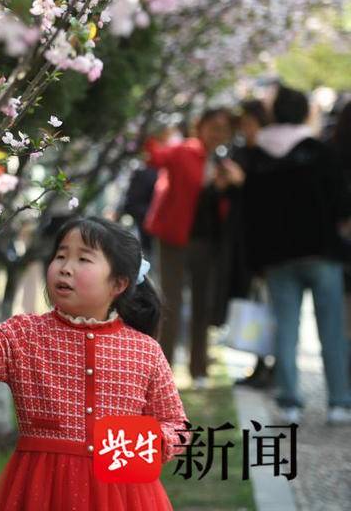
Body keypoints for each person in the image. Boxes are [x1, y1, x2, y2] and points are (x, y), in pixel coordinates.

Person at [0, 217, 189, 510]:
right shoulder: (24, 335)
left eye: (83, 258)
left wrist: (145, 444)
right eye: (60, 255)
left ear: (119, 283)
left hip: (124, 494)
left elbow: (177, 426)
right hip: (41, 490)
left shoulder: (144, 350)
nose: (65, 267)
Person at [226, 85, 351, 424]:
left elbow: (250, 218)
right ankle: (339, 402)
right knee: (332, 331)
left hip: (277, 259)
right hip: (322, 254)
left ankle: (290, 400)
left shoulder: (259, 157)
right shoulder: (319, 151)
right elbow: (341, 203)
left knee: (285, 329)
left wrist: (254, 263)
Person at [143, 108, 234, 387]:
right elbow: (155, 157)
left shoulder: (225, 162)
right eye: (213, 126)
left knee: (202, 305)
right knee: (170, 303)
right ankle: (165, 369)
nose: (217, 133)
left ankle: (199, 370)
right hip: (174, 238)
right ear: (200, 126)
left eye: (223, 129)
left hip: (207, 242)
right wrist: (147, 131)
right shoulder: (182, 151)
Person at [223, 99, 275, 388]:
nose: (247, 130)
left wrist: (245, 182)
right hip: (242, 238)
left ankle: (274, 365)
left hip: (267, 240)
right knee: (254, 303)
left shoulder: (271, 156)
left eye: (251, 124)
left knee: (271, 304)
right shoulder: (240, 152)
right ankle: (259, 362)